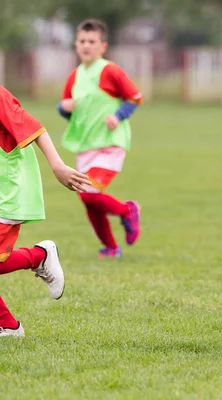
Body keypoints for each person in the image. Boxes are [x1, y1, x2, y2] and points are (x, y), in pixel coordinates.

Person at [0, 86, 91, 337]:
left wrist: (58, 165)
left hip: (7, 191)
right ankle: (38, 257)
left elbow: (33, 127)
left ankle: (8, 325)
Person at [58, 18, 142, 258]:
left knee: (88, 193)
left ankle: (127, 211)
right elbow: (71, 112)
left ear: (102, 46)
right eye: (82, 41)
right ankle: (111, 248)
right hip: (86, 147)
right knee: (89, 201)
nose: (86, 45)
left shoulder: (110, 70)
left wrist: (118, 115)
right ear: (76, 44)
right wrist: (63, 108)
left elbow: (134, 97)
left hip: (111, 145)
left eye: (92, 41)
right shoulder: (74, 76)